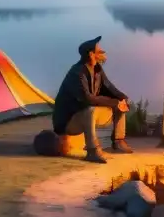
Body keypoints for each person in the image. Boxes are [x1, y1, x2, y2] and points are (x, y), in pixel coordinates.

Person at [52, 36, 133, 164]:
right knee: (90, 110)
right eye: (99, 50)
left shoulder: (97, 69)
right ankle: (92, 151)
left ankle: (118, 141)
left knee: (120, 104)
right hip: (69, 123)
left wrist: (123, 98)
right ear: (91, 54)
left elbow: (109, 87)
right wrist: (113, 102)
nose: (102, 52)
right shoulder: (77, 73)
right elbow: (87, 99)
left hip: (86, 116)